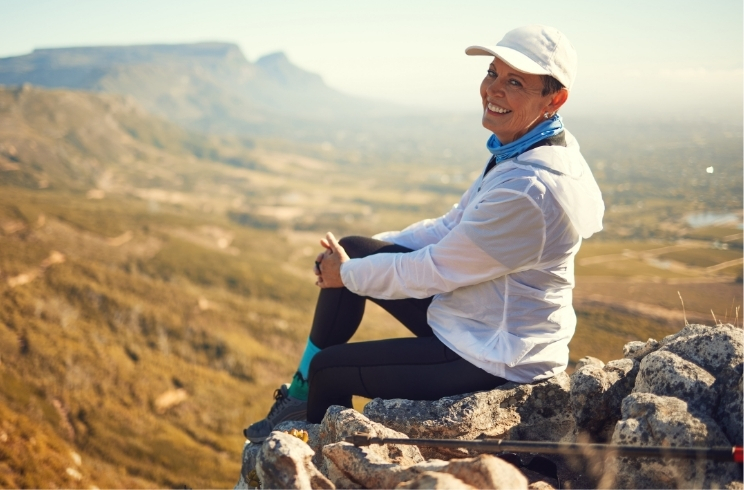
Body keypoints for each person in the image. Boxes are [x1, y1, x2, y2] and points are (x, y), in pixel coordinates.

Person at [244, 24, 604, 443]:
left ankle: (320, 453)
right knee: (353, 249)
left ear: (554, 99)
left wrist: (349, 276)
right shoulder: (526, 148)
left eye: (516, 82)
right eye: (492, 74)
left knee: (331, 368)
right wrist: (355, 261)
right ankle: (299, 393)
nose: (494, 89)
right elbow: (449, 226)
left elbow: (435, 270)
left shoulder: (529, 190)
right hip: (479, 318)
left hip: (495, 356)